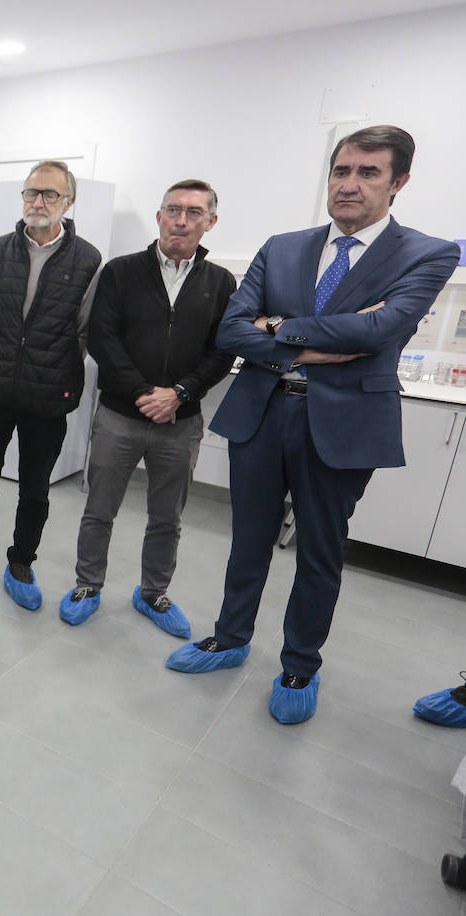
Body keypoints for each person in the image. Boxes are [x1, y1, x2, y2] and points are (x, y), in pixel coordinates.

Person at [166, 126, 459, 724]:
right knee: (247, 537)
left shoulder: (427, 253)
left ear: (398, 182)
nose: (349, 185)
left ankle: (300, 662)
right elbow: (230, 330)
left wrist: (278, 328)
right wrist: (308, 345)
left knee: (319, 550)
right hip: (262, 412)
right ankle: (230, 636)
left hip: (344, 422)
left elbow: (382, 331)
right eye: (341, 171)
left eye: (368, 173)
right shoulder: (284, 246)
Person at [58, 180, 236, 634]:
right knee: (99, 508)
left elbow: (222, 350)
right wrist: (143, 393)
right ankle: (87, 584)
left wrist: (179, 393)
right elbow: (102, 338)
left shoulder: (220, 283)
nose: (181, 220)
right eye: (173, 209)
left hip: (181, 422)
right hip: (120, 415)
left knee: (167, 518)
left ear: (210, 221)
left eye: (194, 212)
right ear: (159, 216)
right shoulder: (121, 271)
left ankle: (153, 592)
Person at [0, 160, 102, 608]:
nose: (38, 202)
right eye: (31, 193)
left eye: (50, 194)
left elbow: (84, 331)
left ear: (68, 202)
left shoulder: (89, 259)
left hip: (48, 393)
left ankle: (21, 561)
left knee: (35, 488)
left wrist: (50, 366)